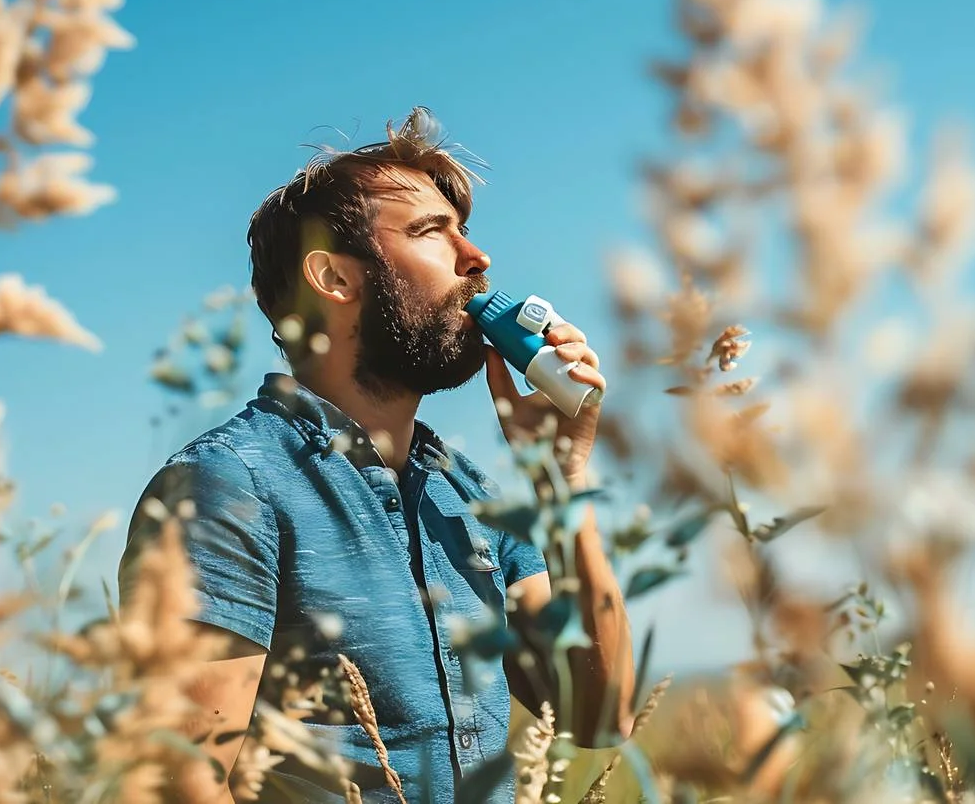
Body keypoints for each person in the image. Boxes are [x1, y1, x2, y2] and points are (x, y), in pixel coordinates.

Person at [118, 107, 634, 803]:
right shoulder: (226, 484)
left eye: (466, 232)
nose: (476, 259)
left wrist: (560, 474)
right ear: (333, 278)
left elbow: (600, 715)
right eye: (430, 231)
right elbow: (179, 783)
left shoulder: (473, 497)